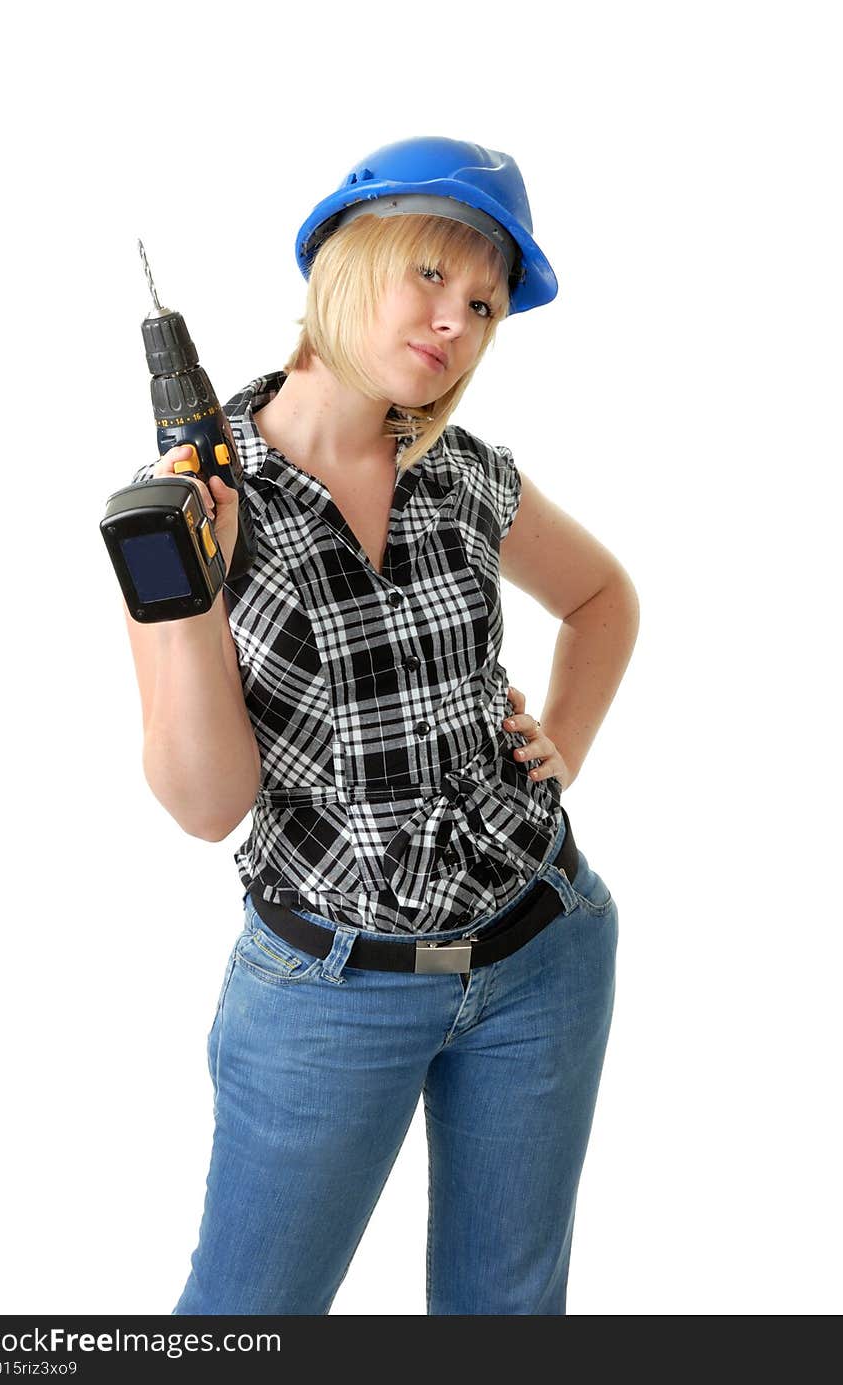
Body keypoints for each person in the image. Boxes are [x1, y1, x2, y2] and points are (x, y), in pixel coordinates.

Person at [123, 136, 640, 1315]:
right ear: (345, 256)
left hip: (543, 949)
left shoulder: (462, 474)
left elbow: (603, 600)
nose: (453, 318)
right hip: (328, 989)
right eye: (428, 274)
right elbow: (206, 805)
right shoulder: (191, 509)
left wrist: (565, 738)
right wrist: (194, 598)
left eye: (483, 304)